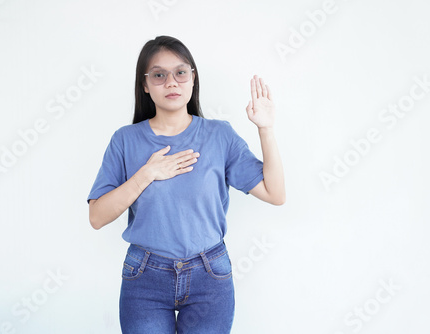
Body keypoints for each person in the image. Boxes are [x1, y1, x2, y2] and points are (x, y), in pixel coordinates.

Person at [87, 35, 285, 334]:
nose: (171, 82)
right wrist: (147, 174)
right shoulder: (125, 140)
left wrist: (266, 129)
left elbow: (276, 194)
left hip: (209, 274)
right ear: (145, 84)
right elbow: (97, 217)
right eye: (159, 75)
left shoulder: (220, 135)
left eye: (181, 72)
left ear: (193, 79)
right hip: (145, 277)